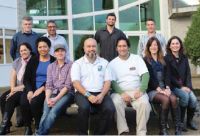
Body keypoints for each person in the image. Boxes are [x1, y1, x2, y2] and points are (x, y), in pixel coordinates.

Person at [71, 38, 115, 135]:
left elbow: (108, 82)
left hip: (100, 92)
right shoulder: (77, 63)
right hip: (82, 93)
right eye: (88, 46)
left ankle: (98, 133)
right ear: (84, 48)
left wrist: (102, 95)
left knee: (110, 109)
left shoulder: (104, 62)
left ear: (97, 48)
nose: (91, 48)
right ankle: (82, 134)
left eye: (93, 46)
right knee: (84, 107)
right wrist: (88, 95)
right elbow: (76, 83)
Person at [108, 37, 151, 135]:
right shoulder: (112, 63)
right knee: (115, 102)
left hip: (137, 90)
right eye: (119, 46)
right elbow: (112, 82)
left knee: (144, 104)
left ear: (128, 47)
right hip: (120, 92)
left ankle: (141, 132)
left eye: (124, 46)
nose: (122, 48)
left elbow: (145, 75)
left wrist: (141, 90)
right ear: (116, 48)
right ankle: (123, 131)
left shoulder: (137, 58)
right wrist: (122, 93)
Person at [143, 37, 181, 135]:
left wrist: (167, 87)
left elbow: (168, 75)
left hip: (165, 88)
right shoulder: (145, 60)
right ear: (148, 47)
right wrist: (159, 89)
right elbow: (149, 78)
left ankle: (178, 127)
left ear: (158, 47)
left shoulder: (163, 59)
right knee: (166, 99)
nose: (154, 47)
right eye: (152, 45)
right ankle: (162, 128)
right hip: (152, 89)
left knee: (174, 99)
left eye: (156, 45)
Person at [20, 37, 55, 135]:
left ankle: (38, 126)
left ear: (49, 47)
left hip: (47, 88)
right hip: (32, 88)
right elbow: (26, 78)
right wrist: (30, 90)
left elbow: (53, 79)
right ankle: (27, 127)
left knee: (35, 102)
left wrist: (41, 88)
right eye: (40, 47)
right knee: (24, 102)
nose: (42, 49)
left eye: (45, 46)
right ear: (37, 48)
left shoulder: (54, 61)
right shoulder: (33, 60)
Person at [37, 44, 74, 135]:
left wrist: (56, 99)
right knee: (45, 112)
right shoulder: (51, 66)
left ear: (65, 52)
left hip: (67, 93)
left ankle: (40, 133)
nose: (60, 53)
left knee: (54, 112)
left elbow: (68, 85)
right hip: (52, 93)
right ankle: (41, 132)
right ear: (54, 53)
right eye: (57, 51)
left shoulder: (71, 65)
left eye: (62, 50)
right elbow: (49, 84)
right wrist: (48, 98)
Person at [164, 36, 198, 131]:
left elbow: (188, 73)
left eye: (177, 43)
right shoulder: (166, 58)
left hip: (185, 86)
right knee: (185, 97)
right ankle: (181, 122)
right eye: (173, 44)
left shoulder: (184, 57)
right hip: (174, 86)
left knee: (194, 100)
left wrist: (188, 86)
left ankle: (189, 122)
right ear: (169, 46)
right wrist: (181, 87)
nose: (175, 45)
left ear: (180, 45)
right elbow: (169, 76)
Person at [0, 43, 33, 134]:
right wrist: (12, 89)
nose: (23, 52)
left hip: (28, 88)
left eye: (25, 50)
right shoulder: (17, 61)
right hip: (17, 88)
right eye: (21, 51)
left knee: (11, 99)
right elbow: (12, 77)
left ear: (30, 50)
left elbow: (32, 81)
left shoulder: (34, 61)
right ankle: (7, 124)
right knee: (3, 97)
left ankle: (4, 125)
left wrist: (16, 90)